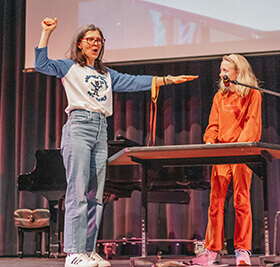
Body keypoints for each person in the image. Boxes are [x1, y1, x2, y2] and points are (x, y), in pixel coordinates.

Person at [35, 17, 197, 267]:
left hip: (101, 129)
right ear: (80, 43)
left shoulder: (106, 74)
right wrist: (46, 33)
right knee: (78, 193)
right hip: (79, 126)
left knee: (95, 195)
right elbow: (41, 64)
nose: (96, 44)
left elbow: (133, 81)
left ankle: (88, 251)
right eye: (91, 40)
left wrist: (165, 80)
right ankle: (73, 254)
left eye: (99, 40)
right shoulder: (69, 67)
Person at [191, 54, 262, 266]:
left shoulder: (252, 93)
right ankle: (213, 251)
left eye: (225, 70)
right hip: (221, 154)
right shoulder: (219, 97)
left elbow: (252, 123)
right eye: (221, 70)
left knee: (242, 201)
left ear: (238, 73)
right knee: (216, 202)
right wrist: (210, 141)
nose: (221, 74)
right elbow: (213, 124)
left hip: (241, 153)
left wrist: (239, 147)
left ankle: (242, 251)